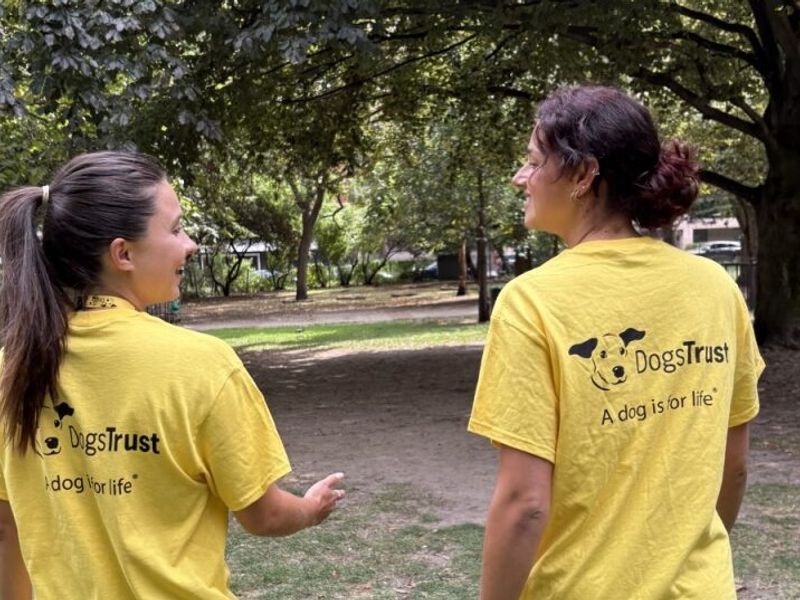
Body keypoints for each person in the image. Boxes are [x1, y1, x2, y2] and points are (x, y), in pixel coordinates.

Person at [0, 151, 345, 599]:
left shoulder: (11, 368)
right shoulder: (202, 364)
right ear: (123, 253)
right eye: (176, 228)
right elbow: (264, 515)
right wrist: (310, 509)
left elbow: (7, 527)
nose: (191, 245)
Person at [468, 85, 763, 600]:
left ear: (583, 175)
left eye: (534, 162)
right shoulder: (715, 287)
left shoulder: (530, 303)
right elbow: (733, 464)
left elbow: (524, 504)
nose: (521, 178)